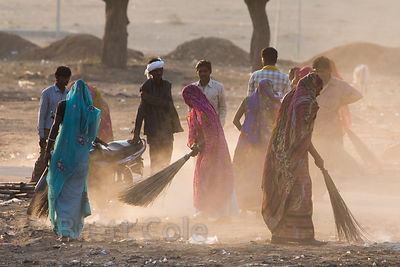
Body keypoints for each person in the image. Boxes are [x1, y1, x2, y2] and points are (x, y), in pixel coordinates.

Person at [261, 73, 325, 245]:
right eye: (319, 88)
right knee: (302, 191)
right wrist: (318, 157)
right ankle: (305, 237)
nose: (319, 93)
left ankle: (280, 235)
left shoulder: (290, 96)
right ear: (313, 87)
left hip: (279, 153)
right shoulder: (307, 104)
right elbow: (303, 137)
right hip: (294, 156)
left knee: (284, 192)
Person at [44, 80, 106, 241]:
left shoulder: (63, 105)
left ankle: (64, 230)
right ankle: (72, 229)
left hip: (62, 156)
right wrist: (99, 142)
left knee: (59, 189)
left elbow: (55, 127)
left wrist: (46, 150)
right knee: (75, 194)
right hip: (80, 159)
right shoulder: (90, 110)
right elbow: (91, 134)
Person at [182, 84, 238, 218]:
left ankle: (219, 212)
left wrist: (201, 144)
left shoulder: (205, 111)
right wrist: (193, 145)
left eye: (188, 99)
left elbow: (213, 133)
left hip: (216, 150)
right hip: (204, 150)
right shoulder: (193, 112)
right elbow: (193, 132)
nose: (188, 103)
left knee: (215, 177)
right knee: (203, 178)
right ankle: (205, 209)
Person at [232, 79, 280, 211]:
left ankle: (244, 203)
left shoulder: (248, 100)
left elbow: (235, 120)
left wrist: (246, 132)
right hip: (266, 143)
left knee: (245, 171)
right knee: (261, 172)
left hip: (246, 144)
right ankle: (261, 202)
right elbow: (279, 124)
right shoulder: (274, 102)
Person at [131, 58, 183, 173]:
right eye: (156, 71)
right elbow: (141, 111)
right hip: (153, 130)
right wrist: (136, 134)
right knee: (155, 163)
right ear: (151, 73)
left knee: (166, 163)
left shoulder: (166, 85)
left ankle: (163, 189)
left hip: (167, 130)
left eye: (160, 70)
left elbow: (168, 104)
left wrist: (149, 98)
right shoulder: (146, 87)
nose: (159, 73)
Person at [312, 56, 363, 172]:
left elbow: (358, 95)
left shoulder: (338, 84)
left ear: (329, 71)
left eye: (322, 71)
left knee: (329, 153)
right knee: (316, 153)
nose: (319, 74)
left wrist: (342, 102)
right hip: (314, 125)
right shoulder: (311, 83)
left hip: (331, 125)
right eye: (316, 71)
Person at [31, 66, 71, 183]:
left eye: (67, 78)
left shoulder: (69, 94)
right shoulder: (47, 93)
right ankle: (34, 184)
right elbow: (42, 114)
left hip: (62, 131)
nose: (66, 81)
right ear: (57, 77)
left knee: (59, 160)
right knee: (44, 158)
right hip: (49, 130)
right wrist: (42, 135)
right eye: (64, 77)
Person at [192, 60, 227, 126]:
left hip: (214, 125)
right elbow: (191, 109)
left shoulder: (218, 87)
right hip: (198, 126)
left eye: (205, 71)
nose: (202, 74)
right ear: (197, 72)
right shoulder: (193, 88)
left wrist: (220, 124)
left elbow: (222, 107)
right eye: (200, 71)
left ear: (210, 72)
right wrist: (194, 124)